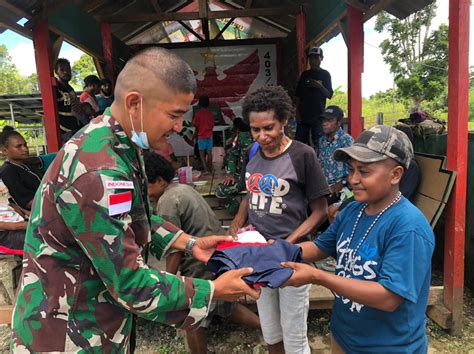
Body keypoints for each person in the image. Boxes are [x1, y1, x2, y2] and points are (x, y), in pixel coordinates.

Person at [11, 47, 260, 352]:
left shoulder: (120, 145)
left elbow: (131, 218)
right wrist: (213, 290)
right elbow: (129, 283)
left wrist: (189, 243)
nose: (180, 126)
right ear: (134, 103)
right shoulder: (98, 169)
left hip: (95, 321)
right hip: (66, 334)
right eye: (174, 114)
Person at [282, 125, 435, 353]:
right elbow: (319, 246)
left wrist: (317, 276)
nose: (353, 179)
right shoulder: (354, 210)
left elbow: (388, 297)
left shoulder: (408, 227)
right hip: (344, 336)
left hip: (388, 346)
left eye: (364, 172)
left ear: (396, 174)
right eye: (351, 169)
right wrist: (281, 251)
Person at [229, 85, 329, 354]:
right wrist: (239, 220)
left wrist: (287, 243)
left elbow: (320, 210)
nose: (262, 136)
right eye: (255, 129)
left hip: (291, 257)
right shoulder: (252, 153)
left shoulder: (302, 155)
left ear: (285, 120)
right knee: (271, 331)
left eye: (269, 128)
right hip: (259, 255)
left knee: (294, 334)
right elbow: (250, 192)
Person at [144, 152, 260, 354]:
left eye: (146, 186)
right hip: (217, 256)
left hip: (200, 262)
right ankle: (271, 329)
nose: (145, 192)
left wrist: (169, 282)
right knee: (225, 306)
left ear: (160, 181)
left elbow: (174, 248)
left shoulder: (168, 201)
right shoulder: (182, 189)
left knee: (192, 318)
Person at [295, 47, 333, 150]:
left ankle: (319, 165)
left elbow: (329, 95)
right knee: (299, 144)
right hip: (303, 117)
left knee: (319, 144)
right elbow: (298, 95)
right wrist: (296, 113)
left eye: (316, 58)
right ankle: (300, 165)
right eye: (311, 58)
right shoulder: (305, 75)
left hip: (318, 116)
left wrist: (320, 86)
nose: (313, 61)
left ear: (322, 59)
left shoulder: (325, 74)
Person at [215, 117, 253, 216]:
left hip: (260, 178)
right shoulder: (242, 137)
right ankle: (238, 214)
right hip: (241, 177)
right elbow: (233, 155)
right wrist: (230, 174)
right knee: (220, 190)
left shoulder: (268, 138)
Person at [0, 128, 42, 211]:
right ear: (5, 151)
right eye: (18, 146)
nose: (25, 149)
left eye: (25, 145)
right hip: (37, 211)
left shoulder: (28, 164)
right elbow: (25, 202)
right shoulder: (8, 172)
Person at [318, 105, 353, 199]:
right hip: (324, 189)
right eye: (323, 120)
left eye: (329, 121)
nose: (324, 123)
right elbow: (320, 164)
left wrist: (341, 184)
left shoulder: (346, 140)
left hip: (342, 191)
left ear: (339, 122)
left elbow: (354, 169)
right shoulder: (322, 140)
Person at [54, 58, 86, 139]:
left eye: (68, 69)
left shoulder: (70, 88)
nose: (66, 72)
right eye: (62, 70)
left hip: (76, 128)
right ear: (56, 72)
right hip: (64, 131)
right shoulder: (56, 88)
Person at [193, 95, 215, 174]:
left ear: (199, 103)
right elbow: (212, 125)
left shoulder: (198, 114)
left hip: (201, 136)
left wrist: (195, 134)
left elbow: (196, 125)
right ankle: (210, 168)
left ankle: (205, 169)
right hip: (209, 135)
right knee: (209, 152)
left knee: (202, 153)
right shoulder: (210, 114)